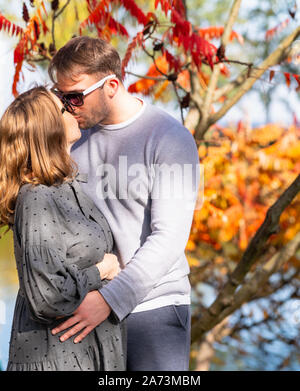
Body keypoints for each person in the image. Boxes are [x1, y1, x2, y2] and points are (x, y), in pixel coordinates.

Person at [49, 36, 201, 371]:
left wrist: (109, 299)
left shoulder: (170, 139)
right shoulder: (71, 141)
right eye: (60, 97)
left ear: (112, 85)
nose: (67, 107)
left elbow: (170, 239)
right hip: (85, 309)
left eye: (75, 96)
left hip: (153, 309)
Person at [0, 86, 126, 371]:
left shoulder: (71, 188)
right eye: (64, 106)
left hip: (90, 354)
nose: (73, 109)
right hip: (56, 358)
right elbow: (47, 296)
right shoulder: (36, 197)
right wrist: (102, 272)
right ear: (49, 127)